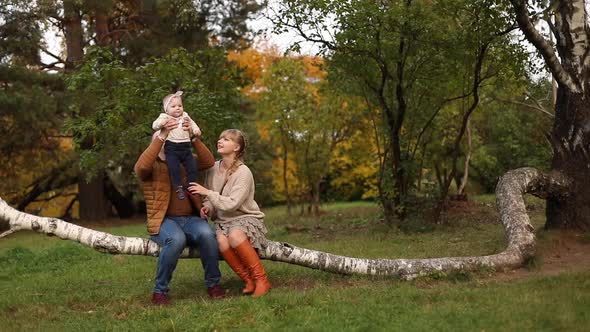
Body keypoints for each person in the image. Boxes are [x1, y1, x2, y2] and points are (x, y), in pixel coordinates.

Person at [134, 119, 224, 305]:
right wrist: (161, 136)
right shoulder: (152, 166)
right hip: (164, 220)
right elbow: (141, 168)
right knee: (176, 240)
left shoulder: (184, 162)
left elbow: (208, 162)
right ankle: (160, 291)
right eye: (162, 138)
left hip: (191, 218)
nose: (167, 139)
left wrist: (193, 137)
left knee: (208, 235)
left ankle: (213, 284)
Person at [188, 129, 271, 298]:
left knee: (234, 236)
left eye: (226, 139)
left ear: (236, 147)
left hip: (244, 217)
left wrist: (208, 193)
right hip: (223, 221)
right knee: (221, 241)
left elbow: (232, 204)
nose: (220, 141)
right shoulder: (213, 169)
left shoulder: (243, 172)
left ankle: (261, 280)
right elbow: (211, 198)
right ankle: (247, 279)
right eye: (220, 138)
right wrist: (208, 208)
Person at [152, 91, 202, 200]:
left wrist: (196, 130)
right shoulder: (164, 116)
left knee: (192, 166)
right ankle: (178, 187)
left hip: (186, 147)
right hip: (172, 148)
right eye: (173, 106)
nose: (178, 108)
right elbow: (154, 125)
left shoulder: (185, 115)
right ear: (166, 109)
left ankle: (190, 186)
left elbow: (192, 123)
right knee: (174, 168)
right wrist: (162, 123)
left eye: (180, 105)